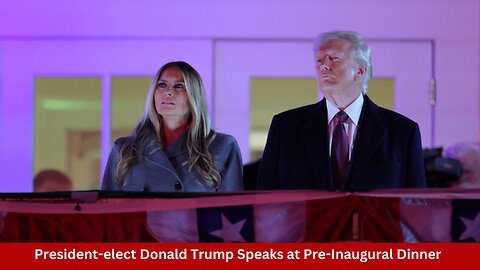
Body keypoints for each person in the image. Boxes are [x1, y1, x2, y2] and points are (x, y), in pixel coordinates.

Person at [257, 31, 426, 191]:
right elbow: (264, 202)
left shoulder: (402, 132)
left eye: (334, 58)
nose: (324, 66)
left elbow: (416, 206)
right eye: (319, 60)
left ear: (360, 71)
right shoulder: (285, 127)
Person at [102, 61, 243, 192]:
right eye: (162, 85)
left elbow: (232, 213)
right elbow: (106, 212)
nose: (167, 92)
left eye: (179, 86)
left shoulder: (222, 147)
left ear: (194, 96)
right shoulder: (124, 150)